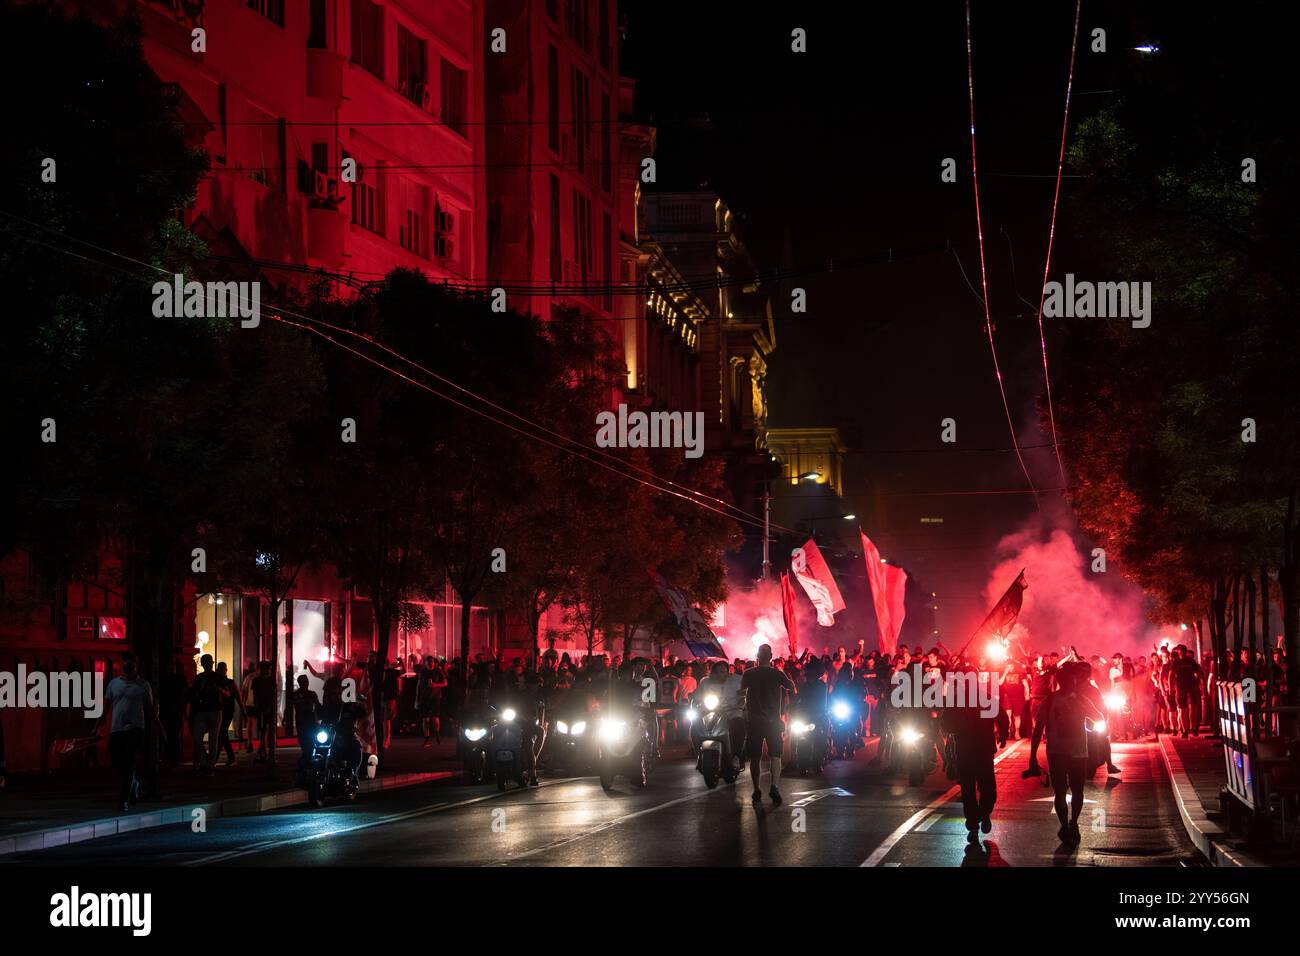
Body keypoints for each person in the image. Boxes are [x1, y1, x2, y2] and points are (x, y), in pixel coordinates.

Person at [1041, 665, 1103, 844]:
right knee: (1061, 791)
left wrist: (1090, 726)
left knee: (1076, 790)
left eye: (1074, 679)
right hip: (1058, 752)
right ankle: (1066, 825)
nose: (1073, 682)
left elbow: (1098, 718)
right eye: (1070, 679)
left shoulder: (1081, 700)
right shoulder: (1051, 700)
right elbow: (1039, 727)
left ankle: (1072, 822)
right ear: (1063, 681)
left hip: (1076, 752)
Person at [942, 668, 998, 844]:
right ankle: (974, 823)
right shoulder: (957, 700)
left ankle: (982, 814)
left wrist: (1003, 733)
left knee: (982, 788)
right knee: (972, 789)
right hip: (971, 750)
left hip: (979, 750)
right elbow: (946, 723)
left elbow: (1002, 716)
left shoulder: (986, 697)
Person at [104, 652, 165, 811]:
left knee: (129, 763)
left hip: (135, 729)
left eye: (130, 661)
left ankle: (123, 800)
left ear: (136, 664)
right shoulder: (113, 684)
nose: (127, 664)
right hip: (116, 729)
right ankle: (134, 783)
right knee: (118, 763)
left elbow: (151, 710)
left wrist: (160, 729)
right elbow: (106, 707)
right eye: (125, 661)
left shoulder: (143, 685)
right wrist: (97, 724)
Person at [740, 643, 797, 805]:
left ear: (757, 656)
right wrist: (787, 676)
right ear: (771, 657)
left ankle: (757, 789)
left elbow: (741, 693)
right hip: (773, 721)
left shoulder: (748, 674)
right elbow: (792, 688)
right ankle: (774, 786)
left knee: (755, 757)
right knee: (775, 756)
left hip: (755, 721)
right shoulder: (777, 674)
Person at [1022, 654, 1057, 778]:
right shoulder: (1033, 670)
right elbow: (1025, 660)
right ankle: (1033, 759)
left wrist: (1070, 655)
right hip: (1035, 701)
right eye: (1039, 661)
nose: (1040, 663)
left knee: (1048, 726)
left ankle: (1053, 761)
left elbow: (1058, 664)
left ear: (1046, 663)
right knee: (1037, 726)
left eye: (1043, 661)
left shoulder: (1050, 670)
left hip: (1045, 701)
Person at [189, 654, 223, 774]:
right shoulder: (200, 678)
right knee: (201, 738)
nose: (207, 664)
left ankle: (208, 765)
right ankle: (207, 764)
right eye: (206, 662)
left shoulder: (216, 677)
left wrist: (217, 689)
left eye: (208, 662)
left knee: (211, 739)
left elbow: (226, 692)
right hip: (205, 710)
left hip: (212, 709)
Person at [289, 675, 320, 770]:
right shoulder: (296, 695)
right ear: (300, 683)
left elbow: (318, 707)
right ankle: (306, 762)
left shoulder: (311, 694)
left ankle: (307, 761)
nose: (305, 684)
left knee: (310, 743)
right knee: (306, 743)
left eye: (306, 682)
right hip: (303, 722)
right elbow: (289, 708)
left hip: (309, 722)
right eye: (303, 682)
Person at [214, 661, 241, 766]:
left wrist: (243, 712)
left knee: (222, 732)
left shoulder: (229, 683)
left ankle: (219, 757)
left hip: (227, 711)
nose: (222, 671)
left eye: (223, 669)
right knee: (222, 733)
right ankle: (227, 758)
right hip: (221, 710)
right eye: (221, 669)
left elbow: (238, 697)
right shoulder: (219, 682)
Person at [250, 661, 277, 760]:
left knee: (267, 730)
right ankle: (264, 751)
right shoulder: (259, 681)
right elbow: (256, 695)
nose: (268, 671)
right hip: (262, 707)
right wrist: (257, 707)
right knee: (263, 730)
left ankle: (266, 751)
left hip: (267, 707)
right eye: (267, 669)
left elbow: (272, 695)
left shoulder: (267, 680)